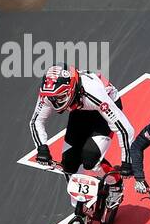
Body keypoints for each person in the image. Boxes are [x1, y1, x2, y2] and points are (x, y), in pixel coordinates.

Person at [30, 64, 135, 211]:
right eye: (52, 99)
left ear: (71, 89)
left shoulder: (94, 93)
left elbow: (125, 129)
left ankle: (115, 185)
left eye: (60, 98)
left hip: (102, 108)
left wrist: (127, 161)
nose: (55, 104)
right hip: (79, 107)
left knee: (90, 160)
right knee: (69, 162)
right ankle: (80, 205)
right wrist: (41, 148)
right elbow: (36, 121)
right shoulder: (50, 93)